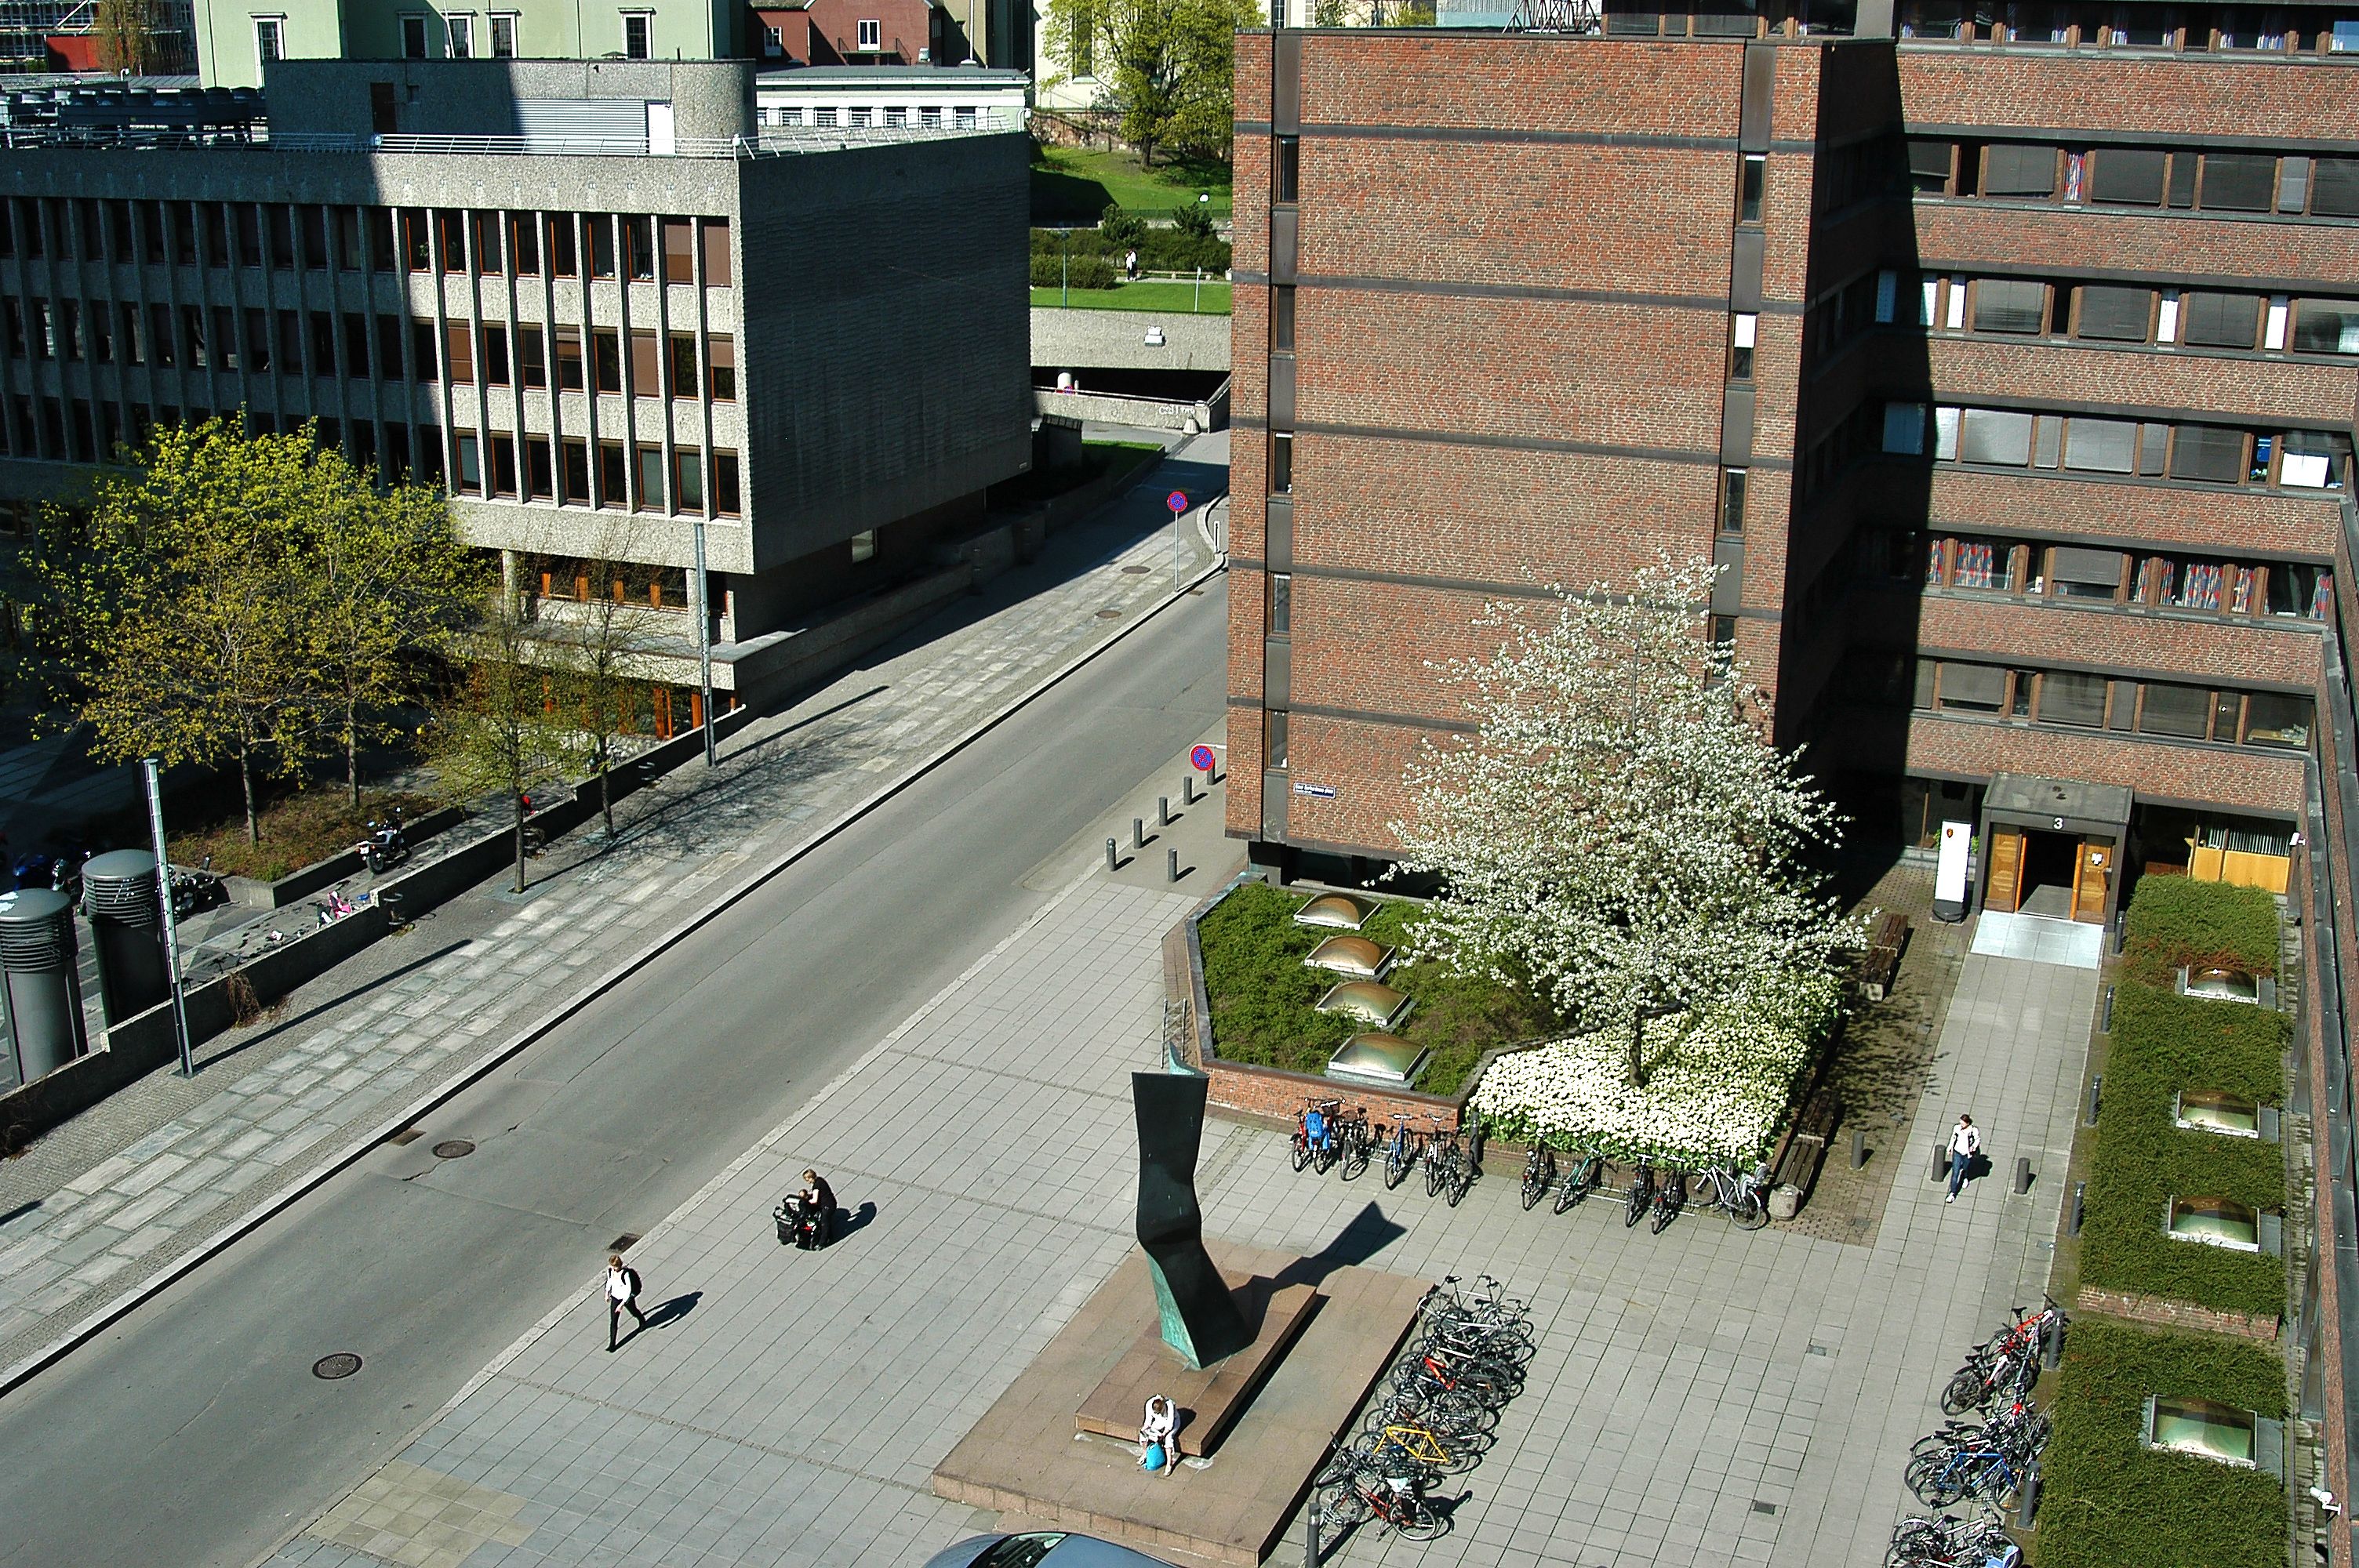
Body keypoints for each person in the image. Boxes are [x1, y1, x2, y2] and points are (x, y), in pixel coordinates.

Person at [605, 1254, 645, 1350]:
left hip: (625, 1299)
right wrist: (607, 1293)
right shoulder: (610, 1271)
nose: (615, 1268)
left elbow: (628, 1290)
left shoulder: (625, 1274)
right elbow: (609, 1282)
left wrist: (622, 1304)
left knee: (633, 1311)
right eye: (613, 1266)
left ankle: (642, 1320)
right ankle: (612, 1344)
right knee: (613, 1321)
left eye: (616, 1266)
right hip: (615, 1298)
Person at [1946, 1114, 1982, 1203]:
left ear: (1968, 1123)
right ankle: (1952, 1193)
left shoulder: (1973, 1130)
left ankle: (1965, 1177)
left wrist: (1973, 1147)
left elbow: (1977, 1139)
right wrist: (1950, 1147)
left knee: (1965, 1167)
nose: (1961, 1125)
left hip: (1967, 1154)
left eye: (1963, 1123)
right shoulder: (1957, 1128)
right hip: (1957, 1152)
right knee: (1955, 1172)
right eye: (1960, 1123)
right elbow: (1953, 1138)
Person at [1139, 1395, 1176, 1475]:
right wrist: (1145, 1430)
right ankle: (1145, 1453)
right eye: (1156, 1413)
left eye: (1160, 1412)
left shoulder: (1169, 1405)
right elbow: (1148, 1421)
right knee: (1143, 1434)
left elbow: (1170, 1425)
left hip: (1173, 1422)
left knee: (1168, 1438)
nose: (1158, 1414)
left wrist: (1163, 1434)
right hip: (1159, 1422)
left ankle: (1169, 1464)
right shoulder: (1149, 1404)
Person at [799, 1169, 836, 1247]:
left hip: (827, 1206)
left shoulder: (816, 1186)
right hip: (831, 1203)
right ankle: (830, 1236)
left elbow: (815, 1200)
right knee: (827, 1221)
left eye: (807, 1179)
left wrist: (806, 1202)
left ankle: (822, 1243)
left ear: (810, 1178)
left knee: (824, 1223)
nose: (807, 1181)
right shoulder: (820, 1180)